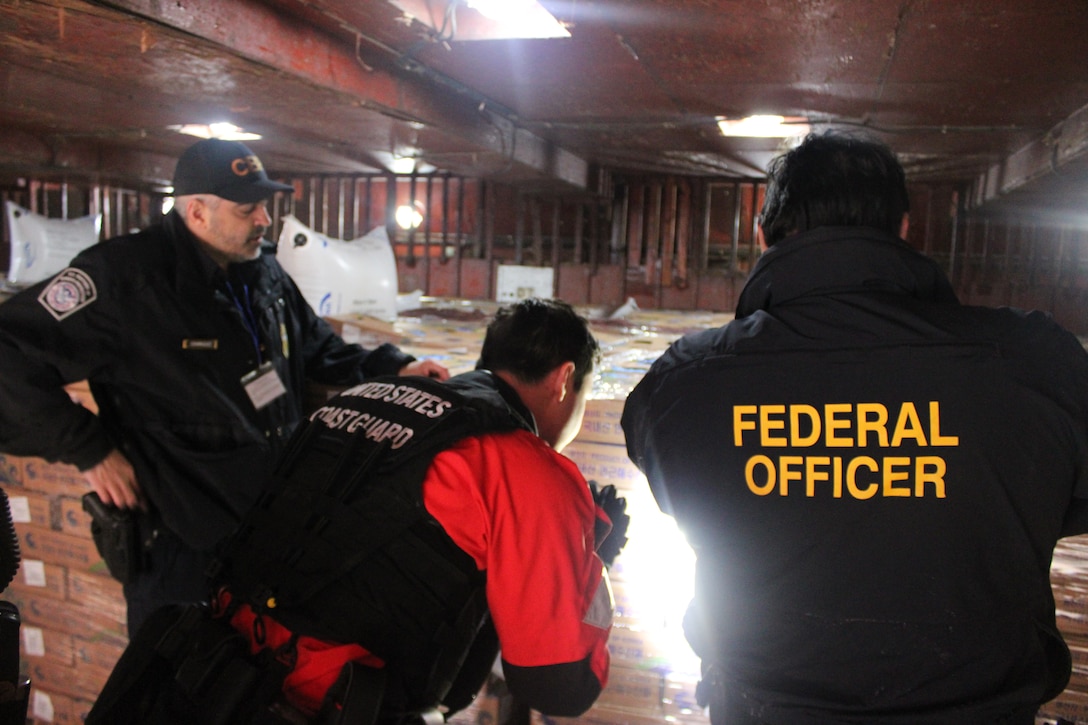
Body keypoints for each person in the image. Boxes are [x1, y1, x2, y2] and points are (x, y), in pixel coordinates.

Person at [621, 131, 1088, 725]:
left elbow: (673, 483)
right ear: (903, 229)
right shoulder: (1035, 361)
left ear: (766, 236)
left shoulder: (684, 385)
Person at [85, 297, 628, 725]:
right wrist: (588, 561)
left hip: (204, 674)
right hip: (325, 704)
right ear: (563, 380)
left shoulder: (359, 399)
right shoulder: (525, 467)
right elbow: (558, 684)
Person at [0, 138, 448, 633]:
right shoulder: (126, 279)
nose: (264, 220)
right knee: (178, 692)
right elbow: (8, 352)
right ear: (197, 212)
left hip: (268, 523)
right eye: (248, 209)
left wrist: (396, 369)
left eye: (264, 206)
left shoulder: (262, 270)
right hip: (181, 540)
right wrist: (89, 448)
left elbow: (316, 347)